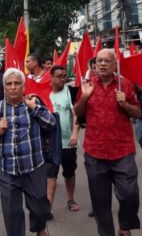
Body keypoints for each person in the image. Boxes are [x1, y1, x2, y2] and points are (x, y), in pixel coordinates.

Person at [74, 49, 141, 236]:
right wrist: (85, 97)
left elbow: (138, 112)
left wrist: (125, 104)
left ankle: (125, 225)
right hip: (95, 152)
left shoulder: (125, 85)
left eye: (106, 61)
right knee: (100, 202)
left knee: (130, 194)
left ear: (115, 65)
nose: (102, 64)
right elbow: (78, 114)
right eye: (99, 61)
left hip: (123, 150)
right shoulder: (87, 85)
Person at [0, 68, 56, 236]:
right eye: (9, 84)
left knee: (40, 208)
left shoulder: (33, 104)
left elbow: (51, 124)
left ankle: (40, 228)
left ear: (24, 86)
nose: (13, 87)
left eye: (17, 83)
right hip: (8, 171)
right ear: (4, 87)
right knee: (12, 214)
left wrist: (35, 108)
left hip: (34, 167)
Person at [48, 65, 80, 217]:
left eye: (64, 76)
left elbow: (76, 115)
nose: (63, 79)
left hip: (68, 142)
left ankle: (71, 199)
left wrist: (75, 133)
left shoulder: (70, 92)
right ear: (51, 77)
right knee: (51, 175)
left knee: (69, 172)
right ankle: (48, 208)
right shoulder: (45, 94)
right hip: (50, 144)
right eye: (59, 76)